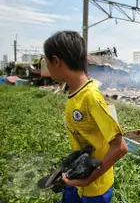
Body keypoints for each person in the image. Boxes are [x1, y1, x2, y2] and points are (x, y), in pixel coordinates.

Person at [43, 31, 128, 203]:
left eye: (46, 62)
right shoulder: (75, 93)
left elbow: (120, 148)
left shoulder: (91, 97)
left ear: (56, 61)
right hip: (77, 180)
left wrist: (89, 179)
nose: (45, 66)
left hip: (95, 187)